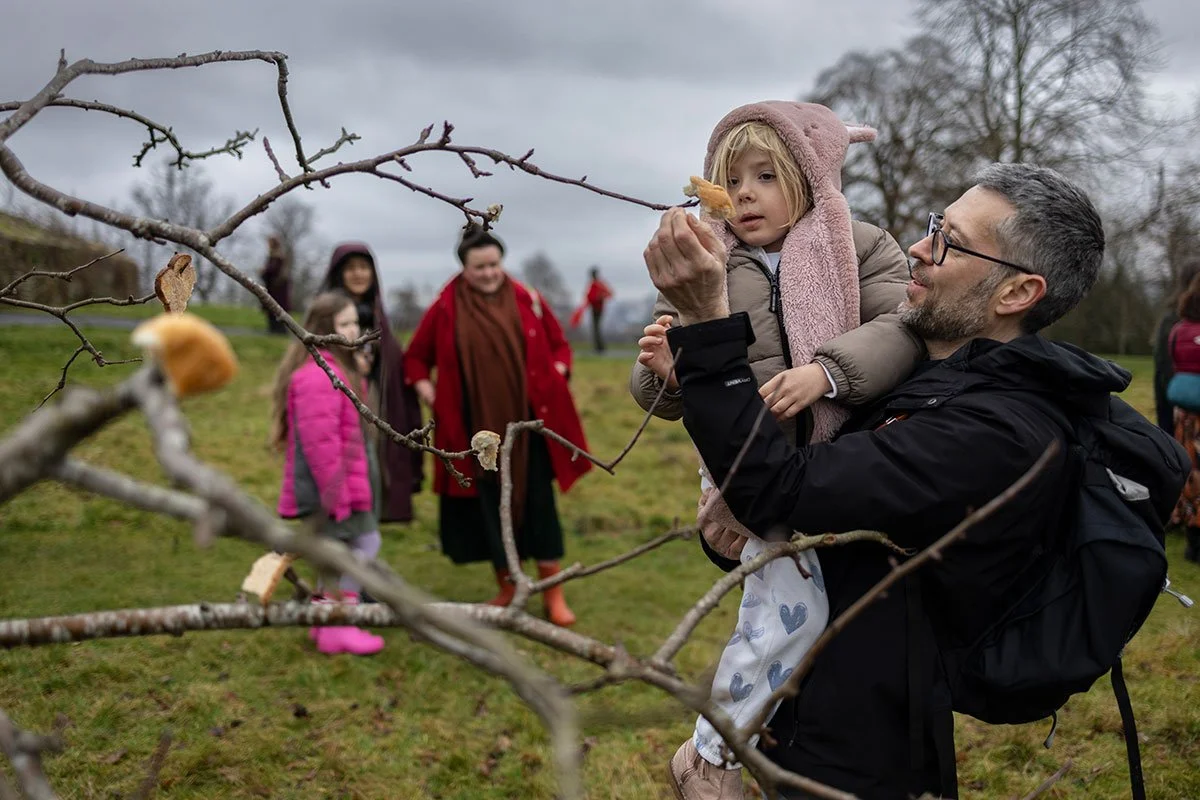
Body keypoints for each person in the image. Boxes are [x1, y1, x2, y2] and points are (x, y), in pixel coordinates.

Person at [645, 163, 1128, 798]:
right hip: (809, 712)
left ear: (1016, 294)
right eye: (935, 225)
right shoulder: (927, 379)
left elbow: (783, 491)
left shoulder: (1000, 431)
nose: (921, 249)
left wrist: (709, 322)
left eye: (951, 241)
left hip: (866, 754)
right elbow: (783, 513)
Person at [629, 101, 922, 800]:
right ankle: (708, 758)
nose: (745, 194)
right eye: (732, 178)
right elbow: (662, 389)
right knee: (794, 612)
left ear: (811, 177)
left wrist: (828, 371)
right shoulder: (710, 259)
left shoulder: (862, 245)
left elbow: (905, 328)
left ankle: (772, 741)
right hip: (746, 473)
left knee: (834, 631)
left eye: (766, 175)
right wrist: (668, 372)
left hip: (839, 464)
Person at [402, 225, 591, 627]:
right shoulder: (444, 309)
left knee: (541, 510)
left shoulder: (529, 300)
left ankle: (552, 595)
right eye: (479, 267)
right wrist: (429, 393)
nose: (488, 273)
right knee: (492, 513)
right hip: (475, 438)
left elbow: (560, 346)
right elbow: (415, 358)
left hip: (529, 431)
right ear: (464, 268)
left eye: (493, 264)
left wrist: (558, 369)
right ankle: (507, 588)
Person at [271, 292, 385, 656]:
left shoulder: (338, 370)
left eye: (355, 322)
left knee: (340, 553)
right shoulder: (320, 377)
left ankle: (327, 624)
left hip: (342, 488)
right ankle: (337, 625)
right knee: (362, 546)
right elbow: (322, 447)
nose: (355, 330)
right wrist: (337, 499)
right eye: (345, 324)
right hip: (333, 492)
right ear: (324, 330)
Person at [320, 243, 423, 524]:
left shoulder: (376, 312)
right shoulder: (326, 310)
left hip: (373, 398)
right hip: (337, 395)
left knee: (372, 456)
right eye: (351, 268)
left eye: (363, 268)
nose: (358, 274)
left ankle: (370, 511)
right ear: (339, 273)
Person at [1167, 274, 1200, 564]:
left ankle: (1192, 540)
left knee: (1190, 473)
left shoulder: (1179, 330)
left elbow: (1173, 362)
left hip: (1186, 414)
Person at [1152, 260, 1200, 433]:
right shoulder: (1173, 322)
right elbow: (1164, 371)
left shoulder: (1171, 321)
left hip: (1178, 406)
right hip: (1182, 410)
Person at [570, 267, 614, 353]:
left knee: (596, 328)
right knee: (596, 328)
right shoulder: (596, 284)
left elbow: (607, 294)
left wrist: (598, 298)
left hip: (597, 309)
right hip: (595, 308)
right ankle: (599, 347)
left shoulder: (597, 284)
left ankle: (599, 347)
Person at [260, 235, 292, 335]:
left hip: (277, 289)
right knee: (272, 309)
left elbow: (273, 271)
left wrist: (264, 271)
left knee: (276, 308)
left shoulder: (277, 257)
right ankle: (274, 329)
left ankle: (279, 330)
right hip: (274, 287)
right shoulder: (275, 256)